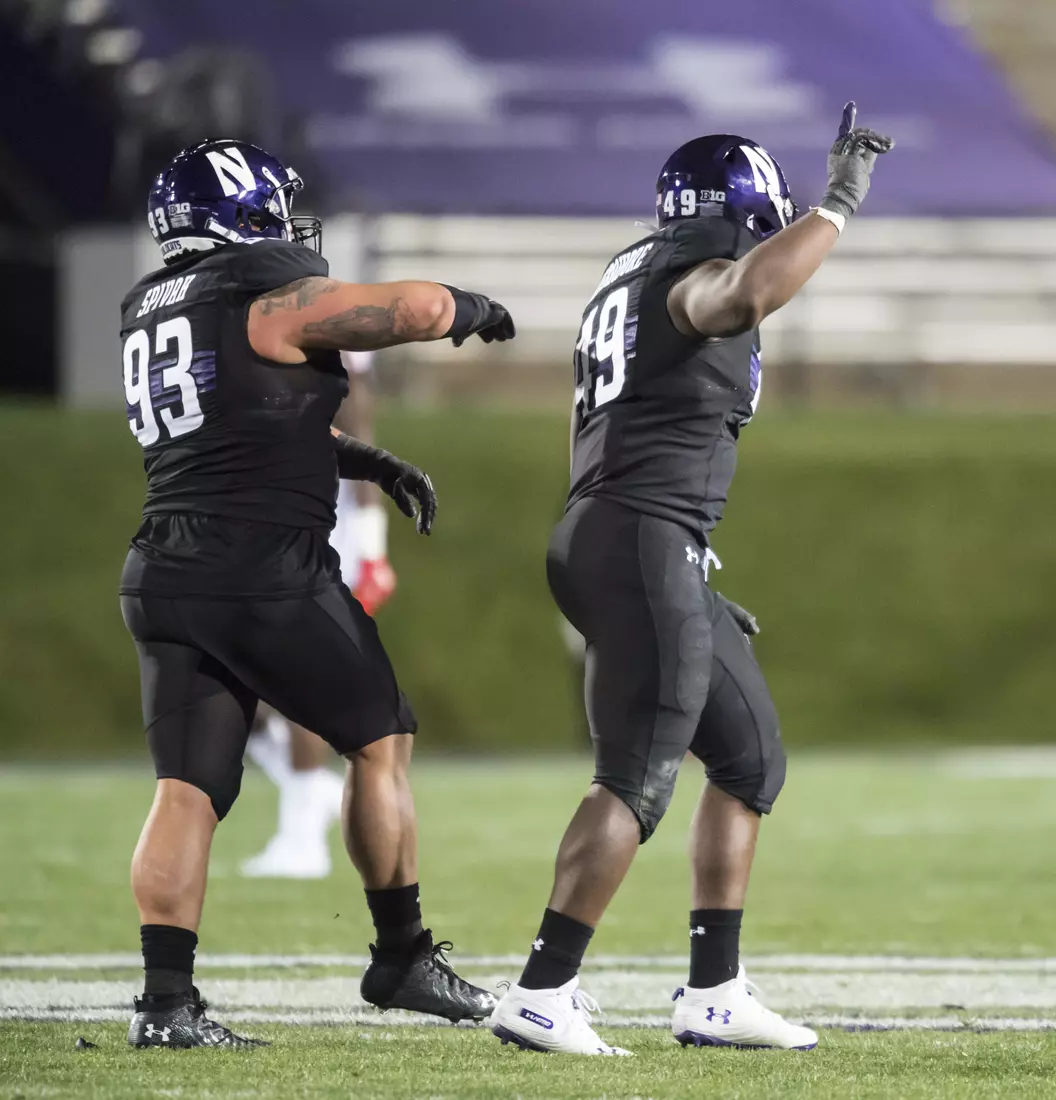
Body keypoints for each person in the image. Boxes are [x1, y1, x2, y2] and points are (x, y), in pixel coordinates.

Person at [490, 103, 892, 1055]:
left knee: (748, 757)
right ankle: (542, 992)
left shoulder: (624, 274)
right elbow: (743, 297)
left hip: (636, 538)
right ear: (751, 208)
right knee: (634, 779)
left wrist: (675, 560)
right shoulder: (697, 269)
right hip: (640, 540)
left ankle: (715, 993)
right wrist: (836, 205)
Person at [118, 138, 515, 1048]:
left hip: (163, 572)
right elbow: (410, 307)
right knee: (382, 740)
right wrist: (472, 306)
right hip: (260, 567)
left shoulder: (148, 307)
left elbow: (243, 424)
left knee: (185, 789)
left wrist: (365, 460)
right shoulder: (263, 292)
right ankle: (402, 954)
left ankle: (167, 1006)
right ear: (243, 215)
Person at [241, 353, 393, 880]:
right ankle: (316, 795)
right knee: (243, 694)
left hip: (325, 555)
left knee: (297, 697)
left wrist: (373, 556)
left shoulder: (336, 382)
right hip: (286, 550)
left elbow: (362, 460)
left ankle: (302, 839)